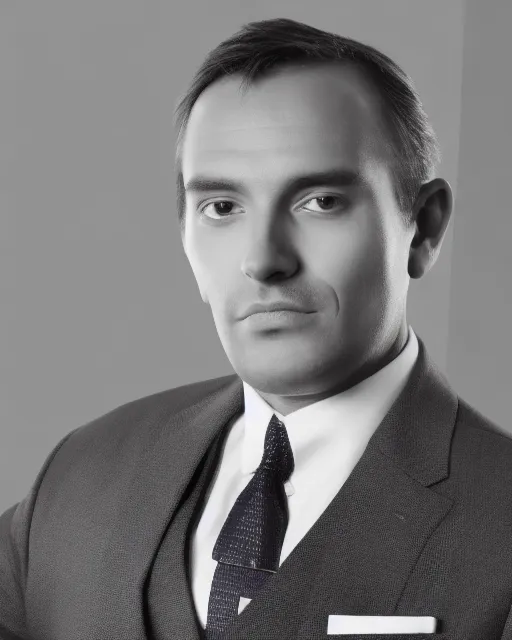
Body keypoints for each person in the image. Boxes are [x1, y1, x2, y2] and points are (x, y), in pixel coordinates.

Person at [1, 16, 512, 640]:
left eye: (320, 201)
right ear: (185, 234)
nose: (264, 258)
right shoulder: (79, 475)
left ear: (424, 228)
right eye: (222, 208)